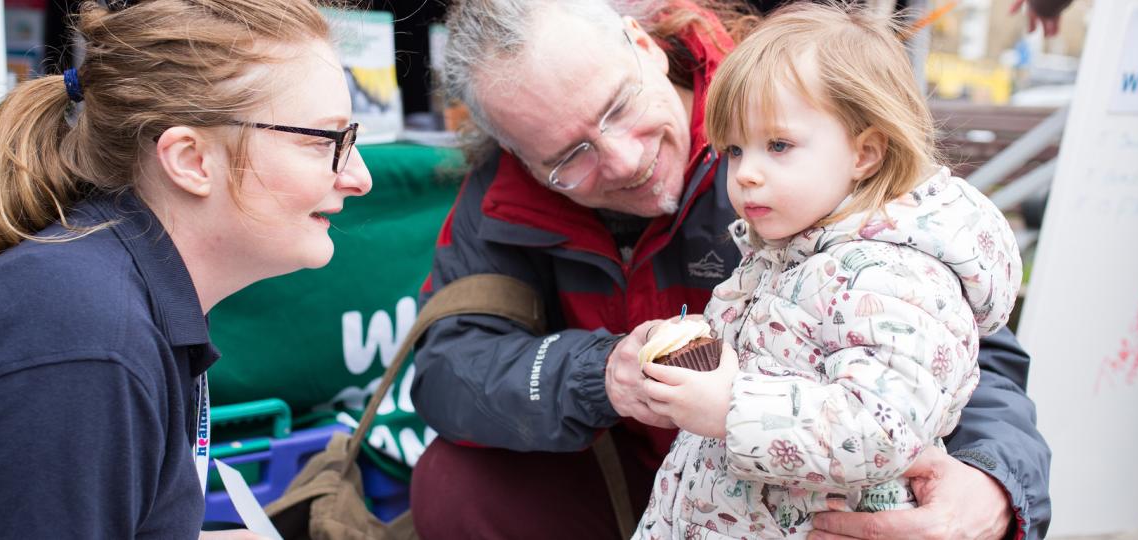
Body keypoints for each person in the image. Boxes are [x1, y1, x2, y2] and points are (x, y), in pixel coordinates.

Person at [409, 0, 1050, 538]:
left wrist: (992, 480)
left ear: (644, 44)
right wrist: (598, 374)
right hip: (656, 488)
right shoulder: (502, 196)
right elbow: (449, 369)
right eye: (570, 155)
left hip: (813, 495)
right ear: (515, 154)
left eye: (618, 107)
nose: (625, 159)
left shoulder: (793, 123)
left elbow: (964, 351)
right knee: (455, 481)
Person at [0, 0, 371, 537]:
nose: (359, 176)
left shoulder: (107, 290)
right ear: (191, 161)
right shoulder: (84, 345)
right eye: (326, 142)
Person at [635, 3, 1022, 537]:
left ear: (865, 153)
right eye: (735, 149)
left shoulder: (893, 275)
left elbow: (884, 428)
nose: (746, 174)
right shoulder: (784, 254)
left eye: (778, 145)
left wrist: (731, 406)